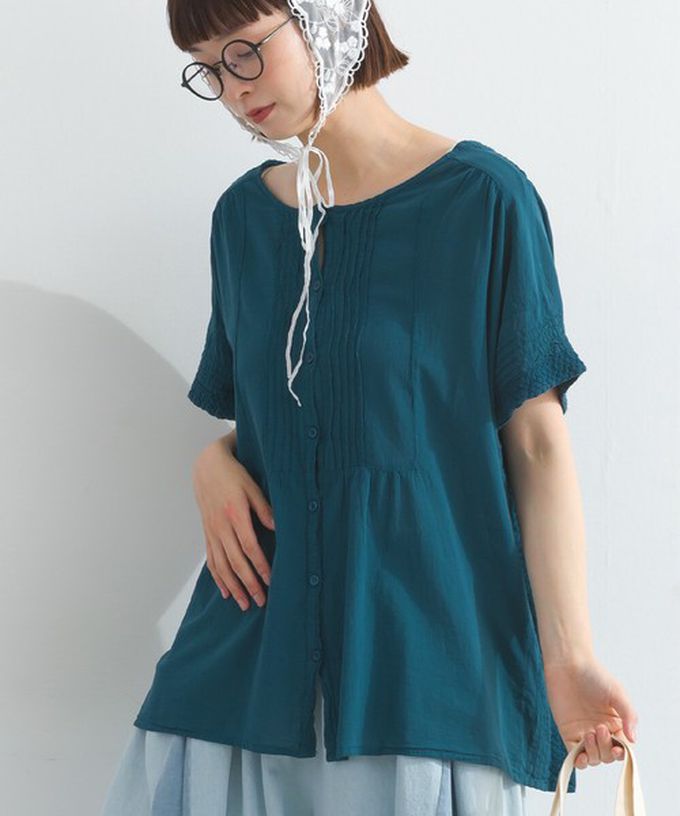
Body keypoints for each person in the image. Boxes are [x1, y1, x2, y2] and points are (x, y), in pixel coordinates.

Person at [101, 1, 640, 814]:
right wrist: (214, 460)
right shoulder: (242, 220)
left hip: (423, 673)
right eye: (209, 69)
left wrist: (570, 658)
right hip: (245, 673)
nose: (233, 89)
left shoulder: (483, 200)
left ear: (325, 16)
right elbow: (279, 420)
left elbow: (536, 444)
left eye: (245, 51)